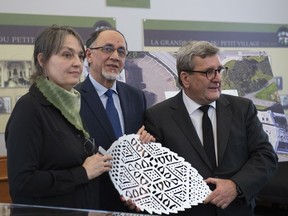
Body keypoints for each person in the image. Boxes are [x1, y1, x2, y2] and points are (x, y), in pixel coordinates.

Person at [144, 40, 278, 215]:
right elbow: (156, 176)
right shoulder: (158, 116)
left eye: (219, 70)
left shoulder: (243, 109)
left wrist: (236, 186)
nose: (218, 78)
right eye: (209, 72)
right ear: (185, 78)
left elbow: (266, 156)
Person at [5, 25, 113, 209]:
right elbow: (22, 183)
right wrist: (82, 173)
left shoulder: (71, 104)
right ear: (42, 60)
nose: (78, 63)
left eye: (80, 56)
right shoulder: (29, 109)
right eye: (66, 55)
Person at [75, 28, 154, 212]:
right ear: (89, 55)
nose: (115, 56)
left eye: (121, 51)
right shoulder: (74, 98)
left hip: (133, 201)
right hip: (94, 204)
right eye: (107, 49)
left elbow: (140, 147)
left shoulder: (136, 97)